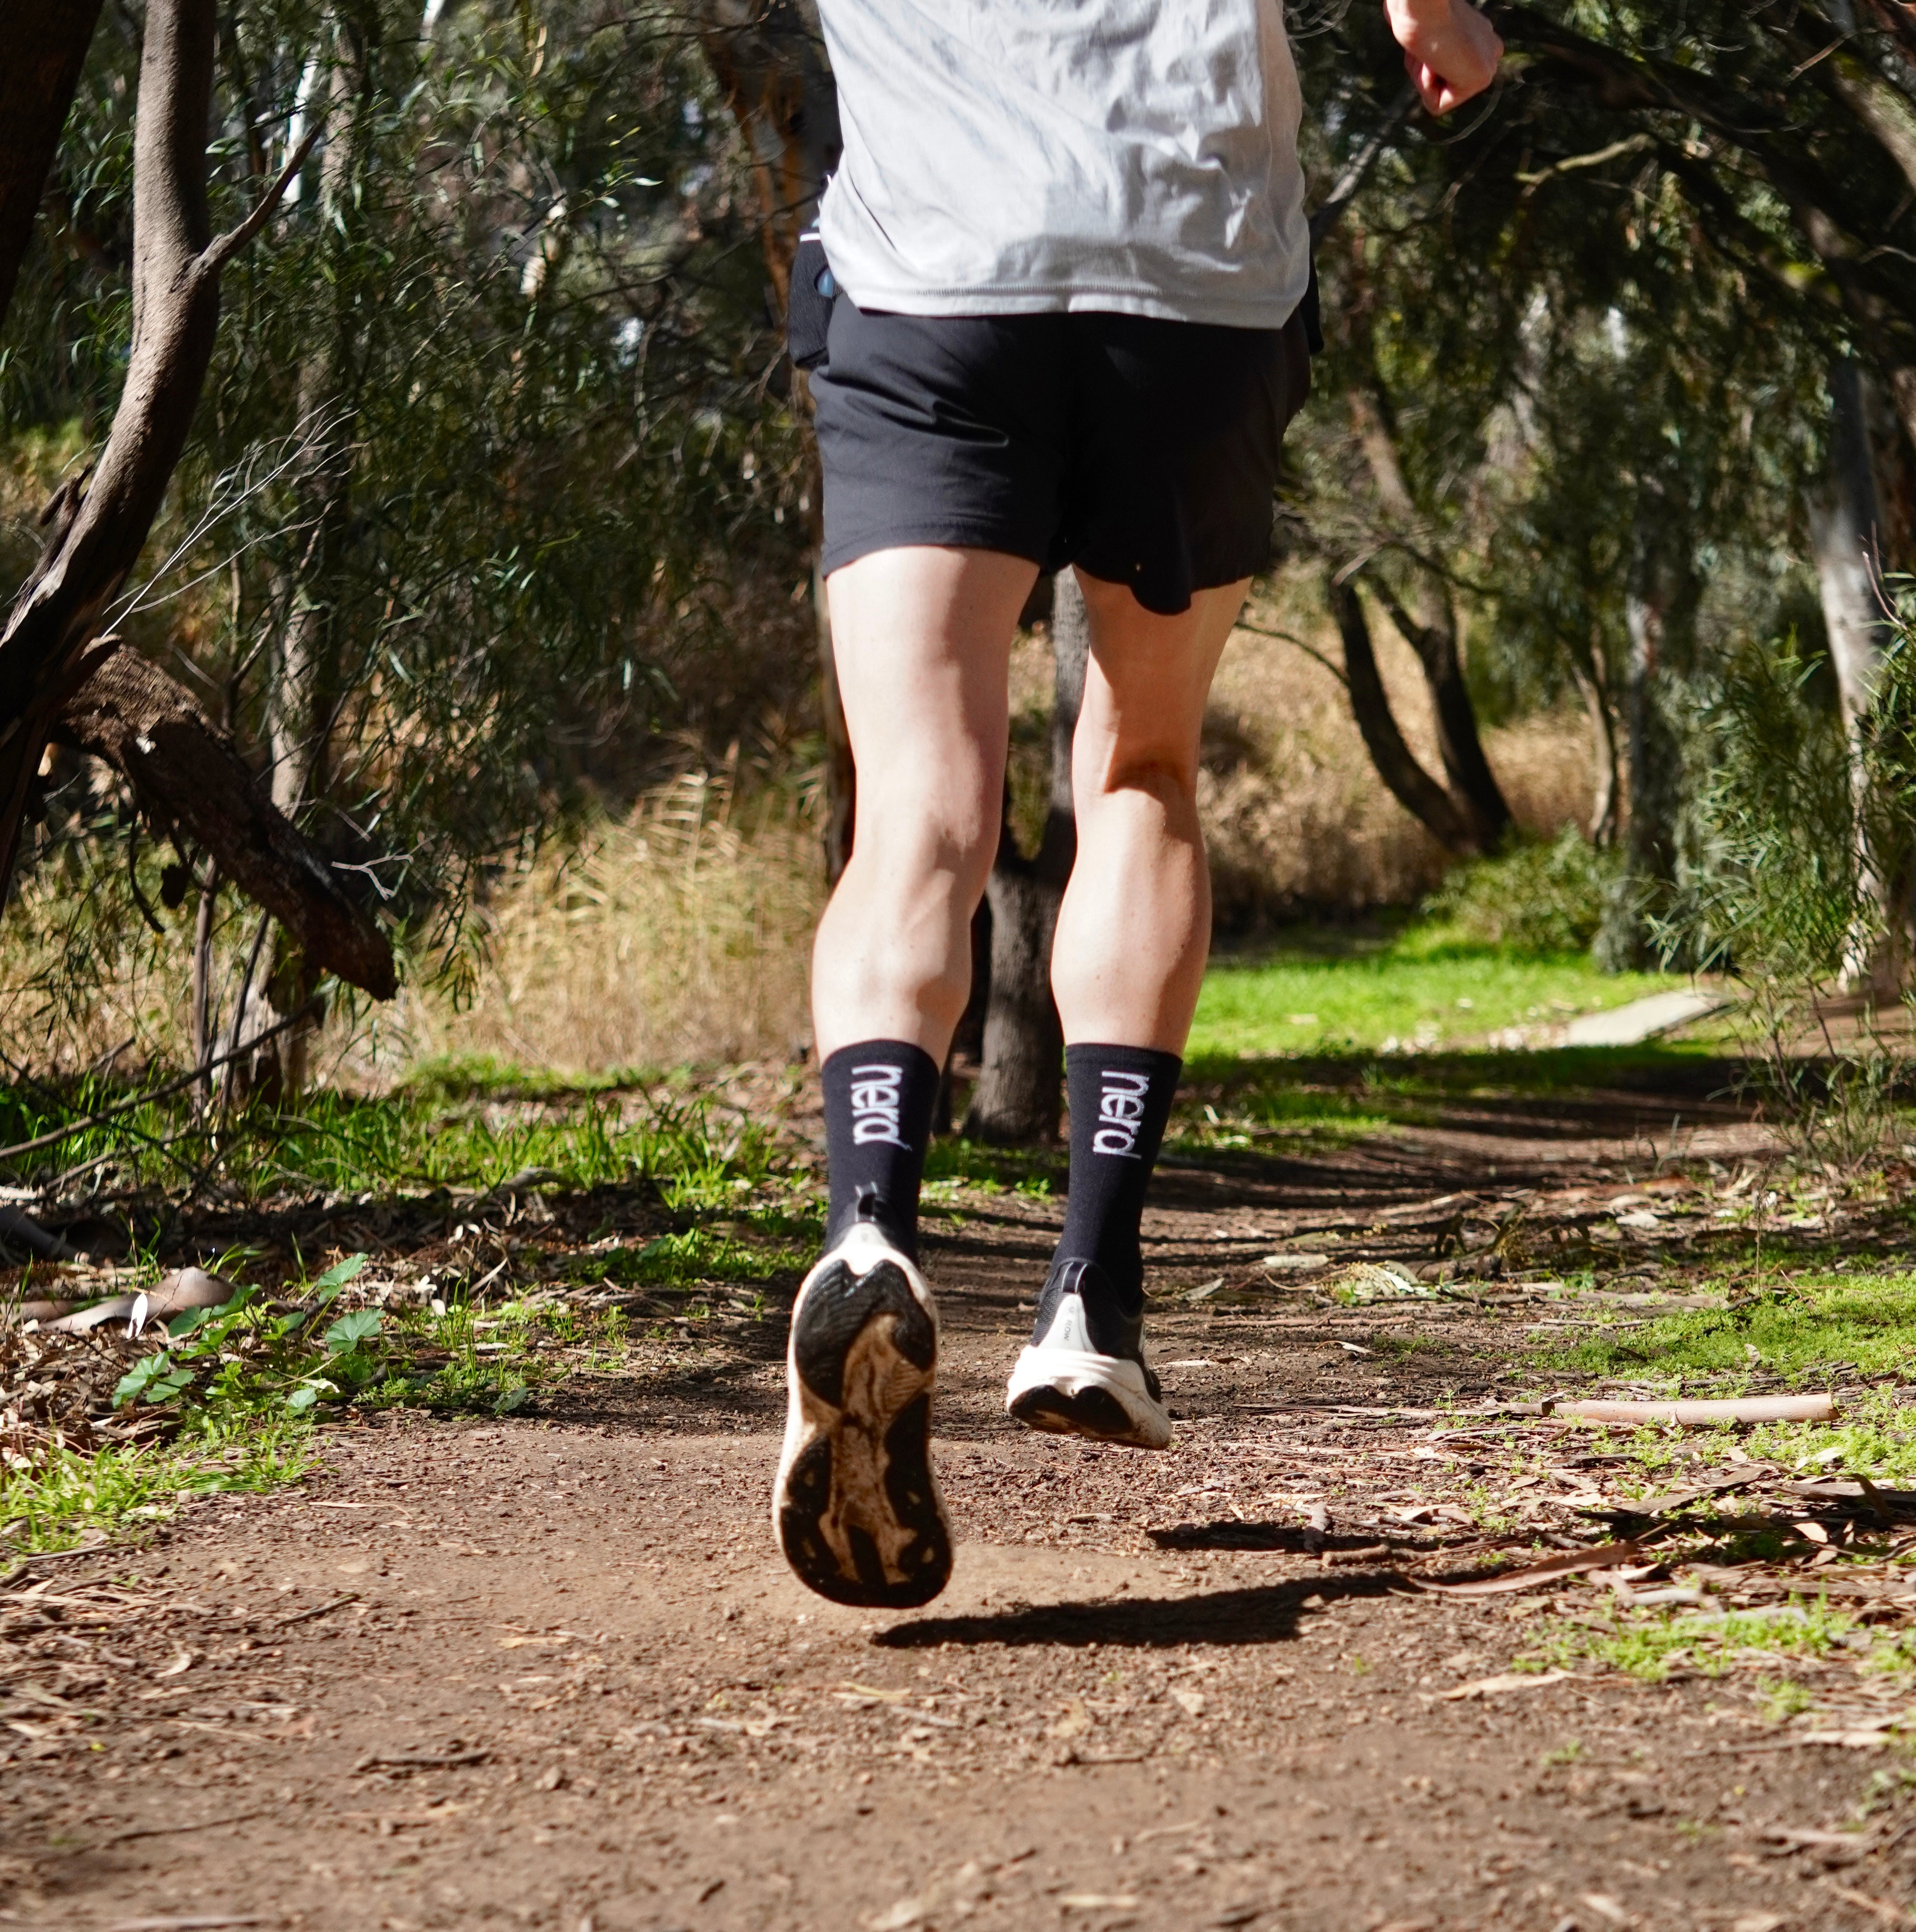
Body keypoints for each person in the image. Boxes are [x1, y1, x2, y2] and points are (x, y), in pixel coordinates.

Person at [772, 0, 1504, 1609]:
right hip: (1192, 279)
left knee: (919, 805)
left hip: (931, 282)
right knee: (1141, 770)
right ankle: (1091, 1294)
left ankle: (872, 1226)